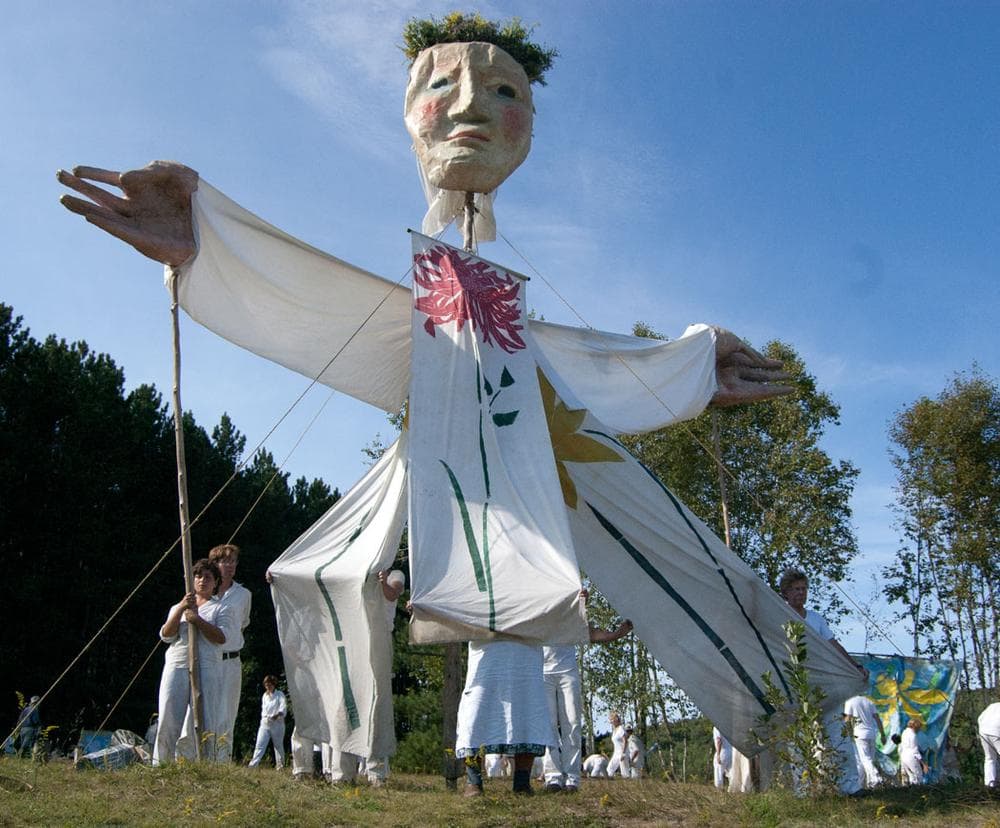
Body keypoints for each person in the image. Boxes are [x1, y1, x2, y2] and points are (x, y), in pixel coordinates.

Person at [778, 567, 865, 794]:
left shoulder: (816, 619)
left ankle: (850, 787)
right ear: (785, 592)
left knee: (837, 733)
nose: (800, 593)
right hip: (796, 684)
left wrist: (853, 666)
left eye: (804, 589)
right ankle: (804, 792)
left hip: (823, 683)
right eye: (795, 589)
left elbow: (833, 644)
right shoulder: (779, 616)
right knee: (798, 739)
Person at [542, 591, 632, 792]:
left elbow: (591, 633)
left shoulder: (572, 616)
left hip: (567, 673)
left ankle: (572, 778)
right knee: (548, 726)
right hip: (544, 672)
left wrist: (617, 633)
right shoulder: (540, 608)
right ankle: (553, 778)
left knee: (572, 723)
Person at [153, 558, 229, 765]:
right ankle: (162, 763)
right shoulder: (179, 606)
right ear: (192, 580)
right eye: (198, 576)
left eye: (208, 577)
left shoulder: (219, 608)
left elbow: (222, 638)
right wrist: (181, 610)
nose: (202, 580)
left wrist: (198, 620)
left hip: (207, 664)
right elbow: (166, 635)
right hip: (178, 661)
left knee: (205, 716)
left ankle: (205, 762)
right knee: (169, 713)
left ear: (215, 583)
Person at [456, 638, 554, 797]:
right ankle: (473, 781)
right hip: (485, 651)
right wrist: (423, 612)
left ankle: (522, 782)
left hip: (526, 651)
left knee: (526, 711)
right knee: (474, 716)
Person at [208, 544, 252, 762]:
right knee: (203, 709)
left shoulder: (243, 595)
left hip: (231, 659)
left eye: (233, 561)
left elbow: (241, 624)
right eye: (225, 561)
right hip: (207, 658)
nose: (230, 566)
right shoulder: (205, 593)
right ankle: (194, 758)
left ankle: (222, 761)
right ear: (215, 565)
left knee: (227, 713)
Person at [843, 694, 886, 788]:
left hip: (859, 734)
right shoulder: (869, 701)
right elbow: (877, 719)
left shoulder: (850, 701)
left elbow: (847, 720)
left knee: (865, 759)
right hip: (871, 733)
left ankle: (875, 777)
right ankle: (864, 784)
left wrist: (848, 734)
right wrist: (882, 734)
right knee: (866, 760)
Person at [248, 675, 287, 768]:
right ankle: (252, 766)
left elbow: (283, 707)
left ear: (273, 685)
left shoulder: (279, 695)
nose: (268, 687)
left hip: (277, 724)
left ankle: (280, 766)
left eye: (269, 685)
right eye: (266, 685)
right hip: (265, 723)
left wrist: (277, 715)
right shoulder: (264, 696)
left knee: (278, 746)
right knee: (260, 744)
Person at [899, 717, 927, 785]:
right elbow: (915, 751)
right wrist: (923, 764)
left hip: (903, 756)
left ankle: (911, 791)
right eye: (919, 728)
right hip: (911, 757)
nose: (919, 730)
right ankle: (917, 792)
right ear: (916, 727)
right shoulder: (913, 735)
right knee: (918, 776)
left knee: (911, 776)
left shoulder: (904, 732)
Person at [979, 702, 1000, 787]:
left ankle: (989, 785)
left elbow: (980, 718)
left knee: (989, 758)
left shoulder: (993, 706)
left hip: (984, 731)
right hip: (997, 731)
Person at [606, 712, 631, 778]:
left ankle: (629, 785)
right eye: (610, 720)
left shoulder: (621, 729)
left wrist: (623, 753)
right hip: (616, 753)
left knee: (625, 772)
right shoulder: (614, 730)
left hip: (623, 752)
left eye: (612, 719)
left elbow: (625, 741)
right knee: (609, 769)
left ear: (616, 719)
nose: (611, 722)